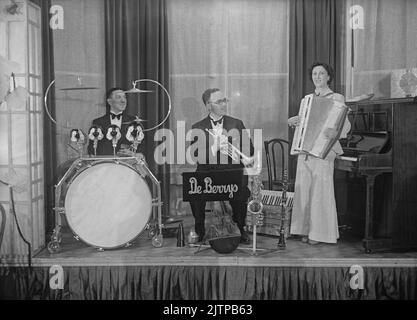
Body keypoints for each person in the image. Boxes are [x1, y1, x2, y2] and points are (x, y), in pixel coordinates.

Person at [288, 62, 351, 245]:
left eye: (321, 74)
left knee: (320, 192)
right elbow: (304, 125)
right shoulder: (306, 100)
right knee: (305, 189)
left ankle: (320, 234)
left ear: (328, 77)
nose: (318, 77)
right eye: (315, 74)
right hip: (305, 151)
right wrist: (294, 121)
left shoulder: (337, 98)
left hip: (324, 150)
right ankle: (304, 231)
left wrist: (337, 132)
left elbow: (344, 125)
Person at [189, 88, 253, 244]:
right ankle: (199, 229)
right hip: (207, 174)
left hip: (231, 171)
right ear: (208, 105)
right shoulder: (197, 126)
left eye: (225, 100)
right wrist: (215, 147)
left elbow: (249, 149)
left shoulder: (236, 123)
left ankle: (240, 227)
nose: (224, 104)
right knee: (194, 193)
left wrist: (235, 146)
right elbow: (196, 156)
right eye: (219, 101)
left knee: (242, 192)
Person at [87, 87, 145, 156]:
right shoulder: (98, 122)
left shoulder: (134, 121)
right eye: (119, 97)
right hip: (106, 164)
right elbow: (91, 149)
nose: (123, 101)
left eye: (124, 97)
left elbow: (142, 148)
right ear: (109, 102)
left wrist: (133, 154)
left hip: (127, 164)